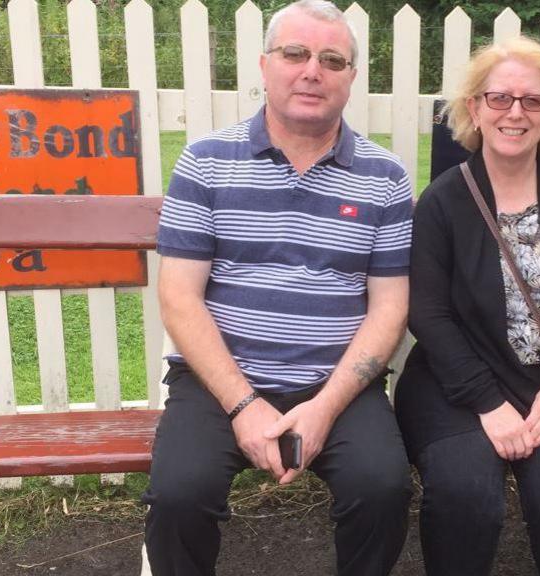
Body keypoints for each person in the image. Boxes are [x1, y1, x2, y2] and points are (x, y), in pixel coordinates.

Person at [142, 2, 413, 575]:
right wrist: (243, 406)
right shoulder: (206, 162)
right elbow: (179, 297)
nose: (312, 70)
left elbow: (389, 308)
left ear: (350, 79)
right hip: (220, 382)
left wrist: (323, 409)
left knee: (383, 488)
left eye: (331, 59)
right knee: (178, 495)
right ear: (265, 67)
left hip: (336, 382)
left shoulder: (384, 177)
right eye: (295, 53)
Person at [395, 36, 540, 574]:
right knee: (465, 495)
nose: (515, 113)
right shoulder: (444, 201)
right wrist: (488, 404)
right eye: (499, 98)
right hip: (457, 385)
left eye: (533, 100)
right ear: (474, 108)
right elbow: (428, 314)